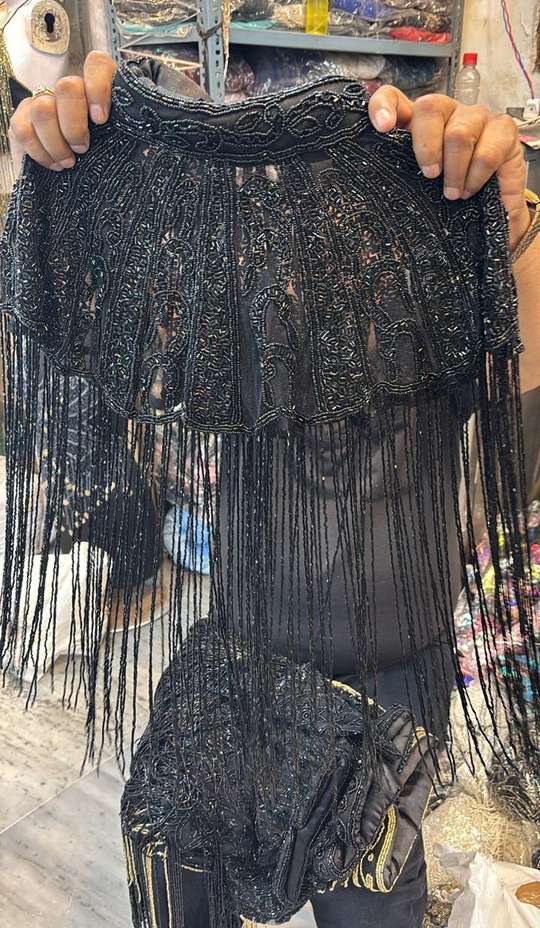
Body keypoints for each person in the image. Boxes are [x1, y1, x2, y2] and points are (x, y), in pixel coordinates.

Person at [8, 51, 540, 928]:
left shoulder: (430, 285)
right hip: (243, 655)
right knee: (182, 871)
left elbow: (524, 395)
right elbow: (93, 322)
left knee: (371, 901)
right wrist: (72, 178)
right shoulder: (234, 305)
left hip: (394, 679)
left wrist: (510, 225)